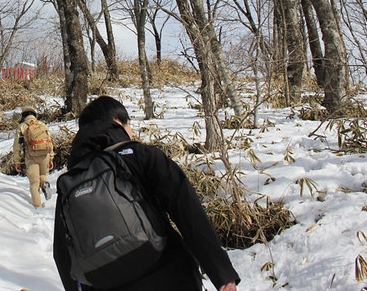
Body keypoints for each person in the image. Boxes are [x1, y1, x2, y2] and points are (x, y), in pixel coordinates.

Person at [53, 96, 240, 291]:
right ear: (117, 122)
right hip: (170, 278)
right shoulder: (140, 155)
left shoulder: (71, 182)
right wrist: (222, 274)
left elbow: (63, 254)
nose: (131, 131)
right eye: (129, 124)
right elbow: (187, 210)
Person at [12, 106, 54, 208]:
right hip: (45, 155)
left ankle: (37, 207)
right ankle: (44, 183)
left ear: (23, 116)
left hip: (31, 157)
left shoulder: (22, 127)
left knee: (34, 183)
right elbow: (49, 142)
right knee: (42, 174)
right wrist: (51, 157)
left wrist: (17, 161)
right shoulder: (42, 125)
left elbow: (17, 146)